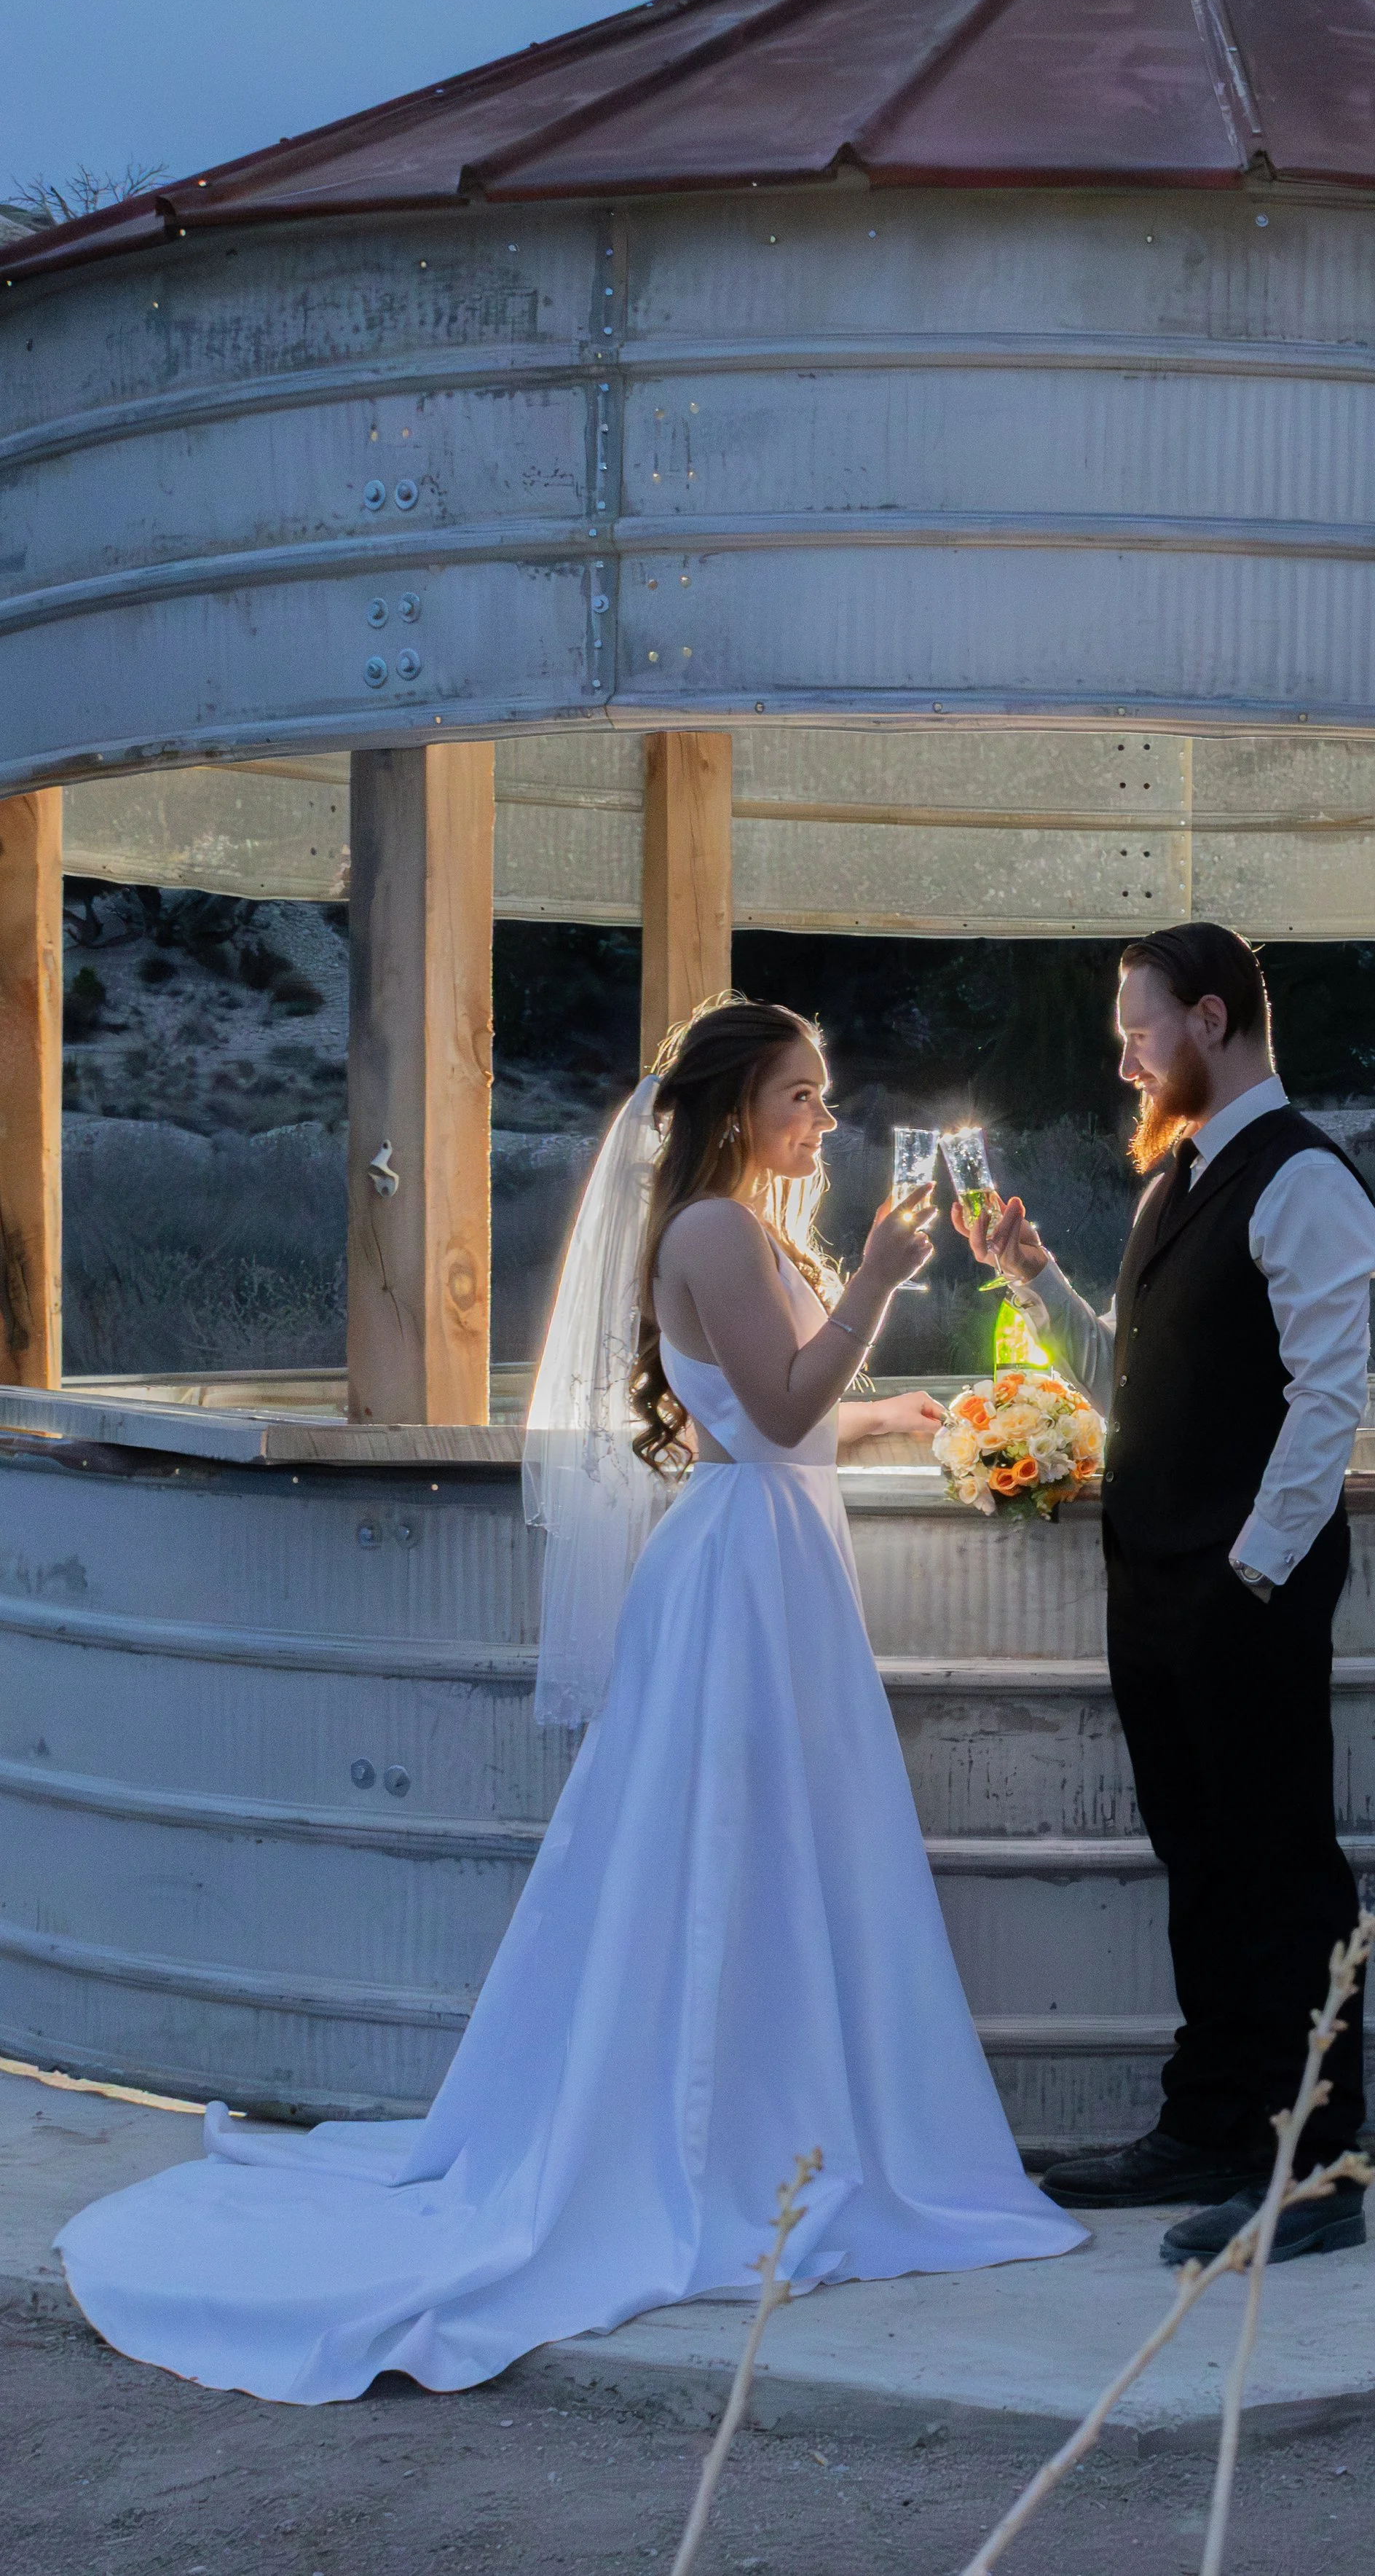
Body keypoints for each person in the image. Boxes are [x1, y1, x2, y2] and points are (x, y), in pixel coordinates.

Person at [58, 995, 1082, 2402]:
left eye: (827, 1096)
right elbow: (774, 1414)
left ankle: (772, 2107)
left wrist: (896, 1414)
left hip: (773, 1553)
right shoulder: (716, 1230)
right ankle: (711, 2135)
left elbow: (776, 1410)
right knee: (728, 1843)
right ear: (737, 1109)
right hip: (740, 1576)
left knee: (781, 1844)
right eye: (804, 1096)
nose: (826, 1121)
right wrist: (887, 1283)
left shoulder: (757, 1230)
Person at [957, 923, 1375, 2266]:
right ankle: (1208, 2129)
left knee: (1282, 1871)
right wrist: (1030, 1273)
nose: (1126, 1056)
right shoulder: (1171, 1184)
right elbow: (1128, 1381)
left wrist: (1250, 1573)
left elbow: (1330, 1406)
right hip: (1153, 1587)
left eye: (1141, 1029)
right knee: (1200, 1866)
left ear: (1212, 1016)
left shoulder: (1306, 1179)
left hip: (1243, 1591)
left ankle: (1316, 2173)